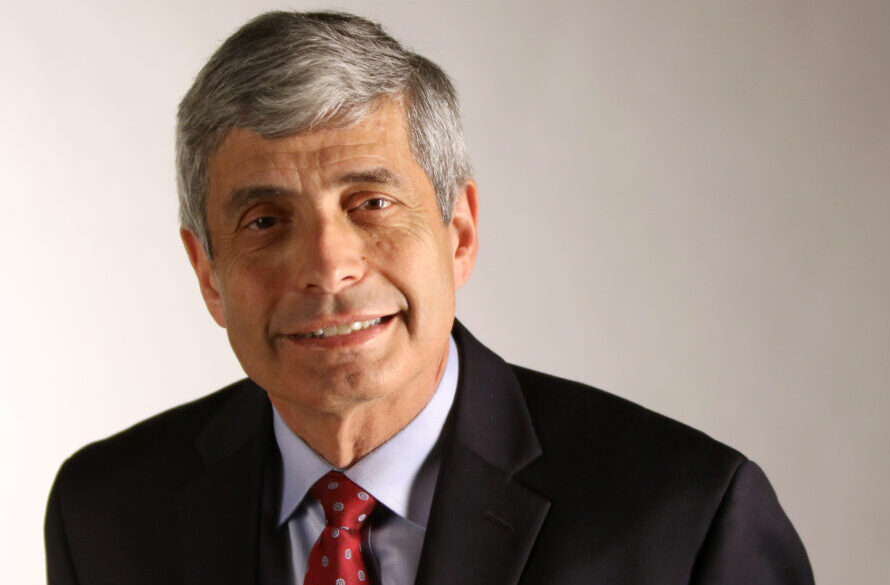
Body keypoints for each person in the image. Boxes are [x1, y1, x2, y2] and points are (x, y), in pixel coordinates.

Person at [45, 10, 813, 585]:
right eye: (266, 220)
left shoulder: (684, 516)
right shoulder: (107, 514)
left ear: (459, 233)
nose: (327, 267)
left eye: (370, 203)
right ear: (208, 272)